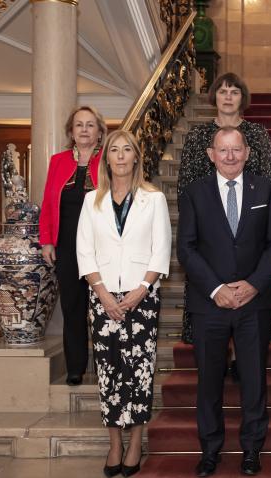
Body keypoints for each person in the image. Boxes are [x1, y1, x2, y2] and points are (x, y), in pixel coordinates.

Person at [177, 127, 271, 477]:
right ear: (211, 154)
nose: (230, 156)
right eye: (223, 151)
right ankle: (210, 450)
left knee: (254, 381)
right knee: (209, 382)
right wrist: (215, 289)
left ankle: (252, 449)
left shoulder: (264, 189)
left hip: (254, 303)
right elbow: (187, 249)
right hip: (209, 304)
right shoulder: (194, 193)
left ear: (247, 152)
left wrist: (253, 285)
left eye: (236, 150)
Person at [76, 130, 172, 478]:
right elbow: (84, 251)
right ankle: (114, 443)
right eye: (113, 150)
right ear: (106, 159)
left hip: (141, 297)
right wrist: (101, 293)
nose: (119, 156)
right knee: (109, 371)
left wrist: (142, 289)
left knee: (139, 372)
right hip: (102, 298)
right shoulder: (92, 201)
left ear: (135, 157)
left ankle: (135, 443)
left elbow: (161, 249)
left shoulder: (153, 198)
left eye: (126, 150)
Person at [178, 73, 271, 367]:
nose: (228, 96)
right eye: (223, 91)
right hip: (208, 228)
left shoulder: (256, 134)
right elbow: (186, 184)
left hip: (248, 226)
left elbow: (266, 179)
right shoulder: (198, 135)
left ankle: (240, 358)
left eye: (234, 91)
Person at [38, 105, 106, 386]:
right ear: (70, 131)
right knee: (73, 307)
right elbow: (48, 203)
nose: (84, 130)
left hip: (101, 247)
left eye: (90, 125)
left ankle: (106, 366)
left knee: (103, 306)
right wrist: (46, 241)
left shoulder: (107, 160)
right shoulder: (58, 161)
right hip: (66, 246)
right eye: (79, 125)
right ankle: (75, 368)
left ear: (100, 132)